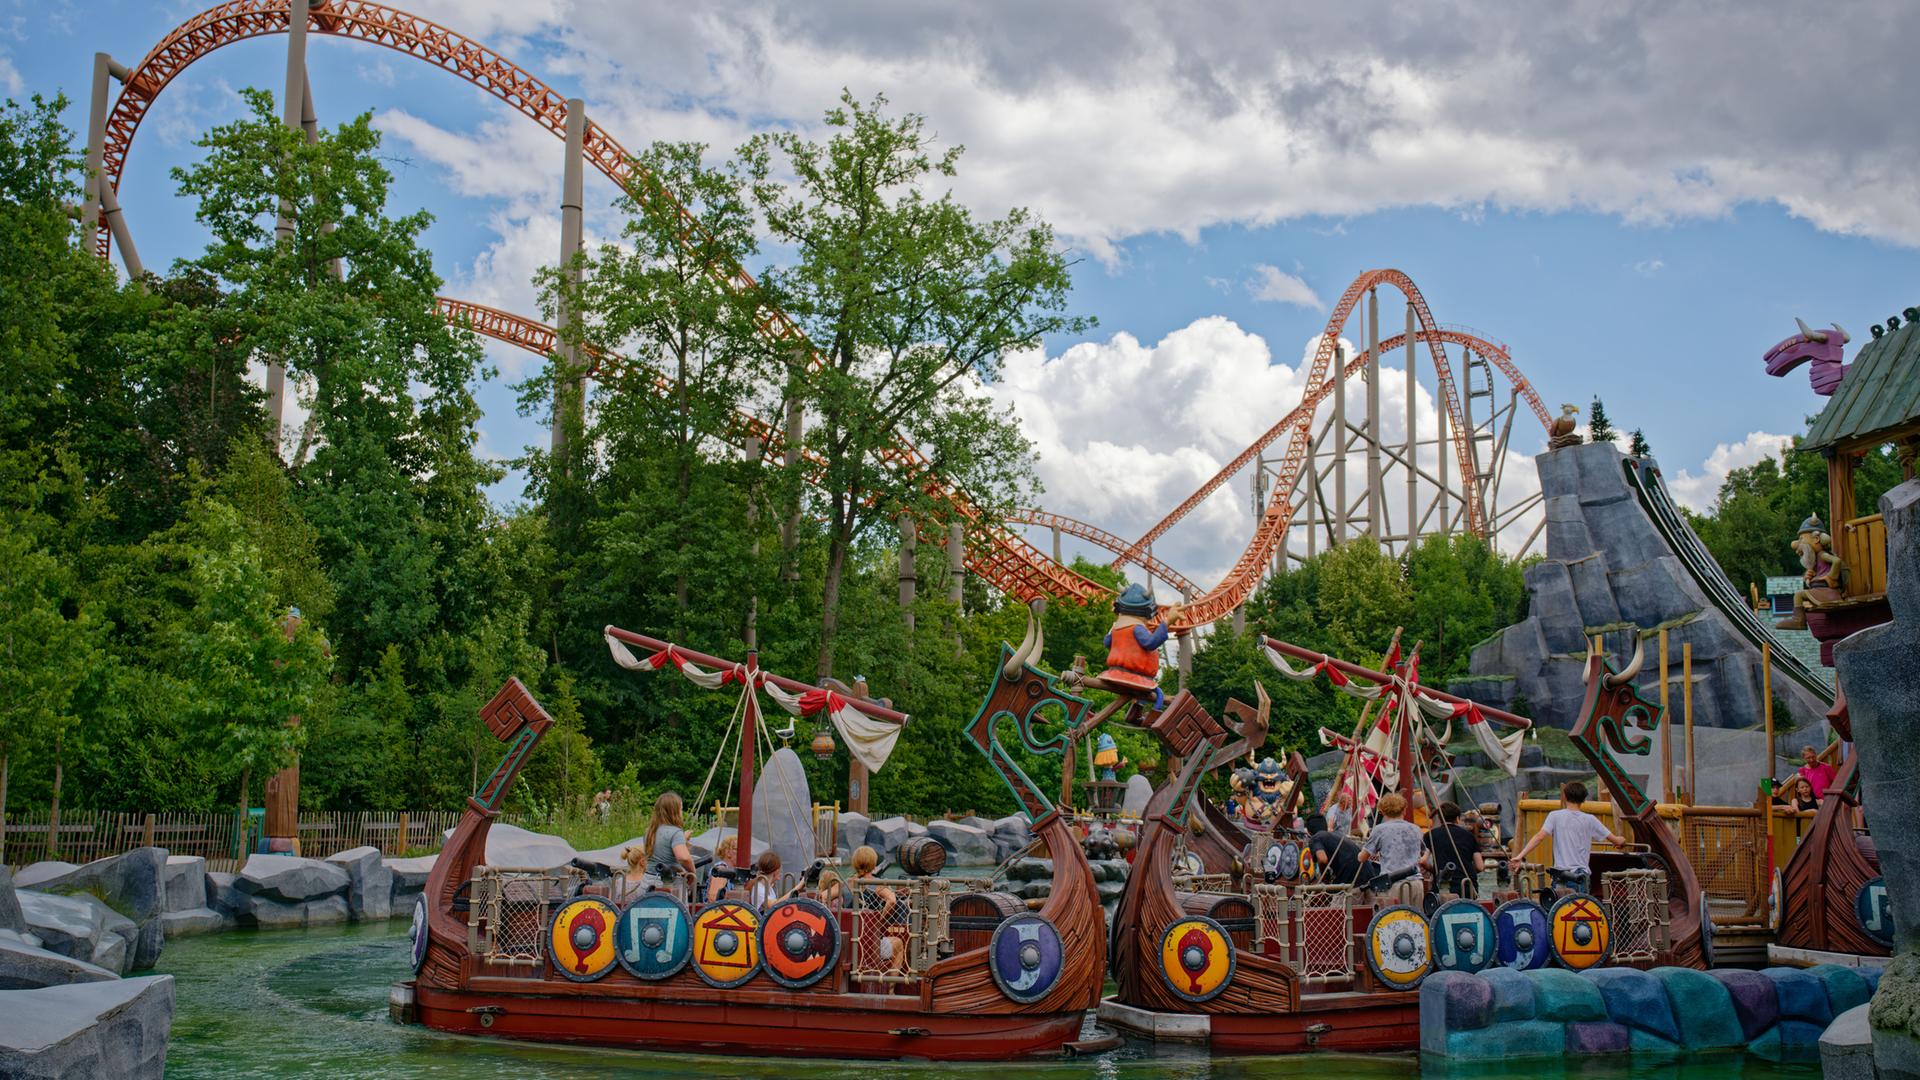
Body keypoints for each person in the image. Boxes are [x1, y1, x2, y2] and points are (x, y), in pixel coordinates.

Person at [1507, 781, 1627, 891]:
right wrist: (1621, 840)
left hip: (1560, 874)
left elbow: (1539, 837)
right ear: (1584, 799)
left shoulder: (1554, 816)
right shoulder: (1590, 820)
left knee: (1560, 911)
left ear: (1565, 796)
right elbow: (1615, 840)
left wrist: (1520, 856)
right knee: (1580, 911)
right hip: (1580, 875)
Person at [849, 845, 908, 975]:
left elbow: (824, 896)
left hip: (848, 942)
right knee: (898, 943)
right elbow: (892, 900)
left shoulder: (846, 883)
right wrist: (879, 918)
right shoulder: (877, 884)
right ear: (874, 863)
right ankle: (891, 991)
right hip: (869, 943)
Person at [1358, 793, 1424, 906]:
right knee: (1416, 920)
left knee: (1394, 920)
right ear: (1404, 810)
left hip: (1393, 883)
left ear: (1382, 811)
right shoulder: (1415, 829)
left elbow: (1362, 858)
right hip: (1416, 883)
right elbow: (1424, 852)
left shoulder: (1379, 830)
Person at [1421, 801, 1485, 898]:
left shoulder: (1430, 835)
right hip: (1467, 887)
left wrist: (1436, 871)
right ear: (1458, 819)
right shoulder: (1469, 836)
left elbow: (1423, 861)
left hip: (1442, 887)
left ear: (1440, 818)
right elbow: (1480, 866)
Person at [641, 791, 696, 892]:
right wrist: (692, 872)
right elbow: (684, 858)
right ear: (674, 811)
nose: (681, 812)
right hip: (668, 884)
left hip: (648, 880)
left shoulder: (649, 832)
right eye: (681, 809)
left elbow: (663, 846)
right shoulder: (675, 832)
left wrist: (682, 839)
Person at [1305, 812, 1362, 886]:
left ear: (1309, 832)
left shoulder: (1315, 838)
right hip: (1367, 875)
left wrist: (1324, 876)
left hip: (1352, 881)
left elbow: (1322, 859)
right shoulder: (1338, 835)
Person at [705, 836, 740, 903]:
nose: (742, 853)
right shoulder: (721, 869)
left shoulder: (733, 872)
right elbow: (713, 898)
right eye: (738, 849)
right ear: (728, 852)